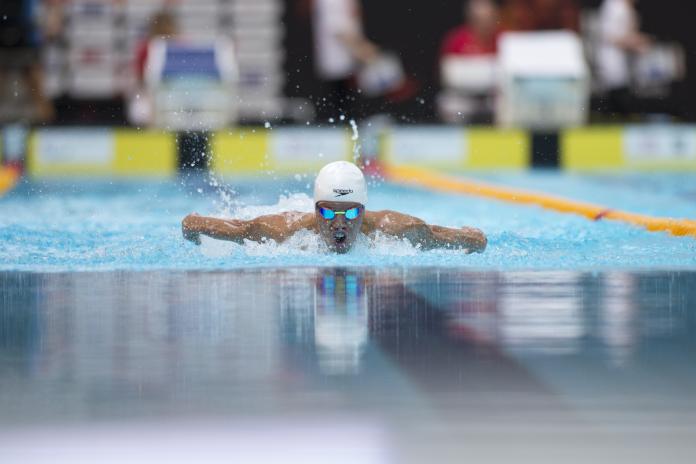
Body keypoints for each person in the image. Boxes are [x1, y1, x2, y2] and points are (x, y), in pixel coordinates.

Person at [182, 161, 487, 254]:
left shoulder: (399, 230)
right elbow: (237, 228)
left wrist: (473, 238)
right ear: (315, 211)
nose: (339, 224)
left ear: (364, 211)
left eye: (351, 212)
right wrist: (193, 227)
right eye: (328, 212)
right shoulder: (281, 231)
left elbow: (438, 234)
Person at [595, 0, 651, 115]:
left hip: (623, 61)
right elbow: (609, 36)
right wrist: (634, 42)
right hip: (611, 59)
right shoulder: (614, 6)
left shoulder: (626, 7)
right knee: (617, 99)